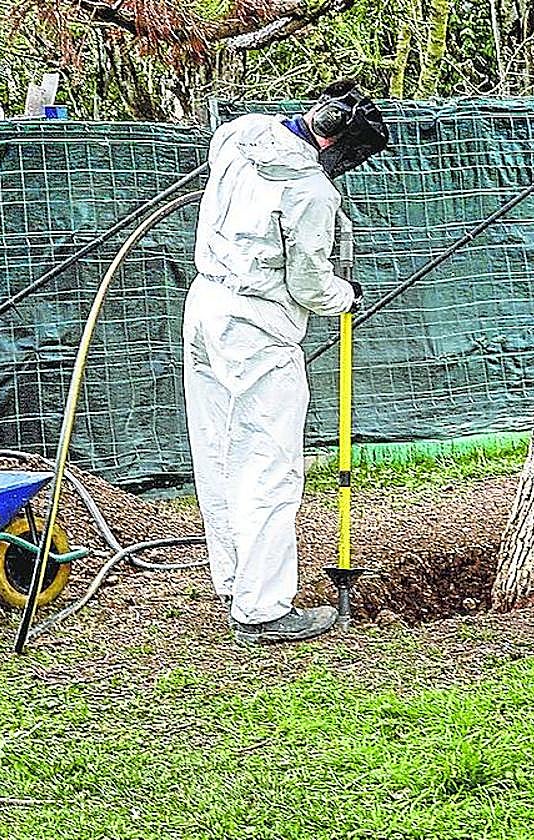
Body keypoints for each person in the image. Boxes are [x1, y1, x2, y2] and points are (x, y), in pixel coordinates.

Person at [183, 81, 388, 645]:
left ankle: (234, 581)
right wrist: (343, 296)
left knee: (218, 452)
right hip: (257, 327)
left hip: (205, 307)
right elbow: (308, 281)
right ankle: (264, 607)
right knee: (268, 464)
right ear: (336, 138)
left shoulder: (240, 133)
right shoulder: (311, 192)